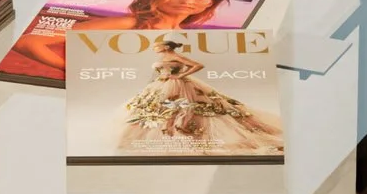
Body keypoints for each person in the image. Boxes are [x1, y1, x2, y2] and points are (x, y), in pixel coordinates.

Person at [10, 0, 230, 74]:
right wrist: (72, 72)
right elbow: (29, 42)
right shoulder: (129, 23)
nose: (188, 2)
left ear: (209, 5)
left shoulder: (184, 37)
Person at [116, 37, 283, 153]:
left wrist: (180, 76)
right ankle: (161, 130)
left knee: (183, 107)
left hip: (176, 84)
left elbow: (198, 65)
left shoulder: (175, 56)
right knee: (153, 106)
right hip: (161, 84)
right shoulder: (163, 56)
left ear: (166, 47)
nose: (155, 48)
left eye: (157, 46)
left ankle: (178, 129)